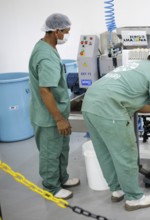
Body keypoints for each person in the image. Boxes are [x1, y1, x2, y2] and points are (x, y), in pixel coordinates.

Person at [81, 45, 150, 211]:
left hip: (89, 104)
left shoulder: (134, 65)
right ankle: (134, 198)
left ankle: (117, 190)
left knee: (105, 152)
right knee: (126, 153)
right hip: (109, 110)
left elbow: (137, 104)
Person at [28, 13, 80, 200]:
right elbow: (45, 91)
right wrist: (59, 119)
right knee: (50, 153)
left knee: (61, 148)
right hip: (49, 116)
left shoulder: (47, 46)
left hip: (57, 112)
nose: (67, 35)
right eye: (66, 31)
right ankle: (51, 187)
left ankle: (62, 178)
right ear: (56, 30)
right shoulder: (46, 56)